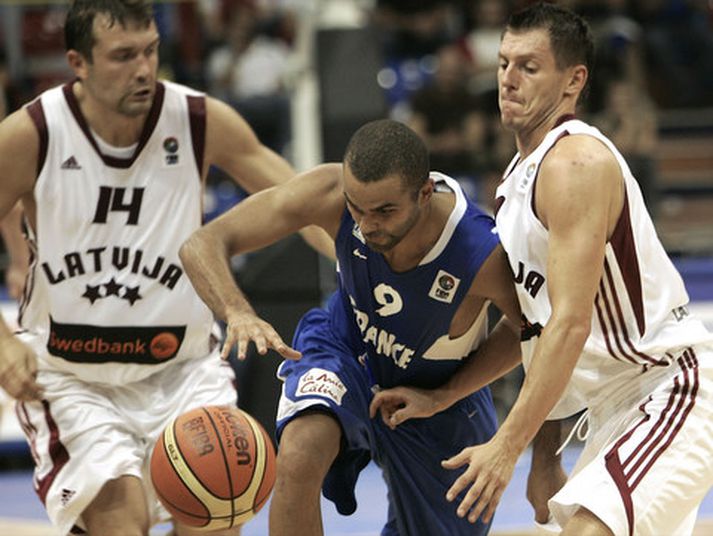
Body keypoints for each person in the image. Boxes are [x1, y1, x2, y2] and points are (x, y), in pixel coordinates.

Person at [0, 1, 330, 534]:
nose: (144, 68)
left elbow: (298, 202)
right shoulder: (33, 132)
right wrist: (2, 340)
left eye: (151, 50)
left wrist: (364, 266)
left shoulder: (198, 119)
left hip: (184, 369)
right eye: (123, 56)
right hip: (73, 379)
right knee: (121, 518)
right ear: (77, 63)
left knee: (219, 511)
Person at [180, 118, 564, 535]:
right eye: (356, 208)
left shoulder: (479, 250)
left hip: (437, 395)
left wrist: (448, 397)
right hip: (346, 350)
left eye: (384, 211)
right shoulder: (328, 193)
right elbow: (202, 244)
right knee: (299, 452)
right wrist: (236, 310)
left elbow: (537, 333)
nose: (366, 225)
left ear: (423, 193)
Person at [443, 3, 713, 535]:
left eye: (528, 66)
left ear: (574, 81)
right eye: (502, 64)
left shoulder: (576, 164)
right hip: (612, 406)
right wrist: (445, 396)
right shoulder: (517, 178)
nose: (508, 80)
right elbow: (536, 328)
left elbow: (569, 327)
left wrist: (508, 447)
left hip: (669, 388)